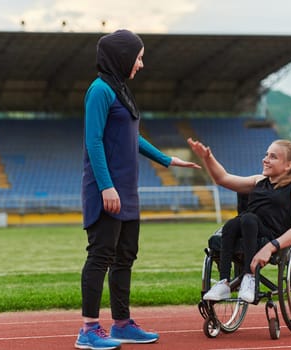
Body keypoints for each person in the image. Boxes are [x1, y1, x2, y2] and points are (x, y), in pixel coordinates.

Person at [77, 29, 201, 350]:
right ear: (122, 56)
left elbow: (133, 137)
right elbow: (93, 140)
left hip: (127, 192)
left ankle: (121, 324)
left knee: (125, 257)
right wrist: (106, 187)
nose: (141, 64)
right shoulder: (100, 90)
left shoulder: (121, 91)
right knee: (101, 255)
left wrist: (167, 159)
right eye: (139, 57)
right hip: (108, 191)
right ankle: (88, 330)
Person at [187, 137, 291, 303]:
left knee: (248, 219)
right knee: (232, 224)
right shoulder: (258, 180)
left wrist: (270, 247)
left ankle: (249, 277)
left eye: (273, 157)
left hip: (274, 236)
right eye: (266, 155)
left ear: (288, 165)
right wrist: (207, 157)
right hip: (249, 228)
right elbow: (222, 179)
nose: (265, 160)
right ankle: (224, 282)